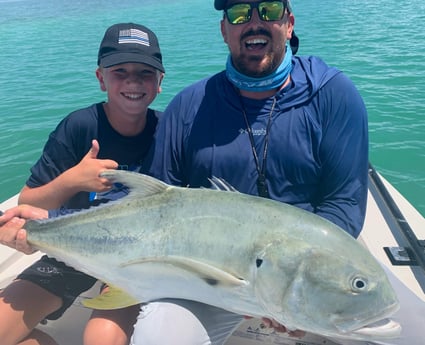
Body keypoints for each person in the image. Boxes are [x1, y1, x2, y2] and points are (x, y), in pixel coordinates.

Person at [130, 0, 368, 344]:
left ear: (288, 23)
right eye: (240, 13)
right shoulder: (188, 107)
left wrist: (294, 294)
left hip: (304, 280)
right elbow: (156, 207)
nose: (255, 22)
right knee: (159, 335)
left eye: (269, 9)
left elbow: (343, 202)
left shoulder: (332, 95)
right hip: (211, 280)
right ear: (224, 30)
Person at [0, 22, 165, 345]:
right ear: (101, 78)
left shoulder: (167, 132)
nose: (132, 81)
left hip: (134, 262)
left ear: (160, 82)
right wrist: (71, 180)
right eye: (120, 71)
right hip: (71, 253)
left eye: (145, 73)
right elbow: (28, 202)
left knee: (101, 337)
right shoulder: (79, 126)